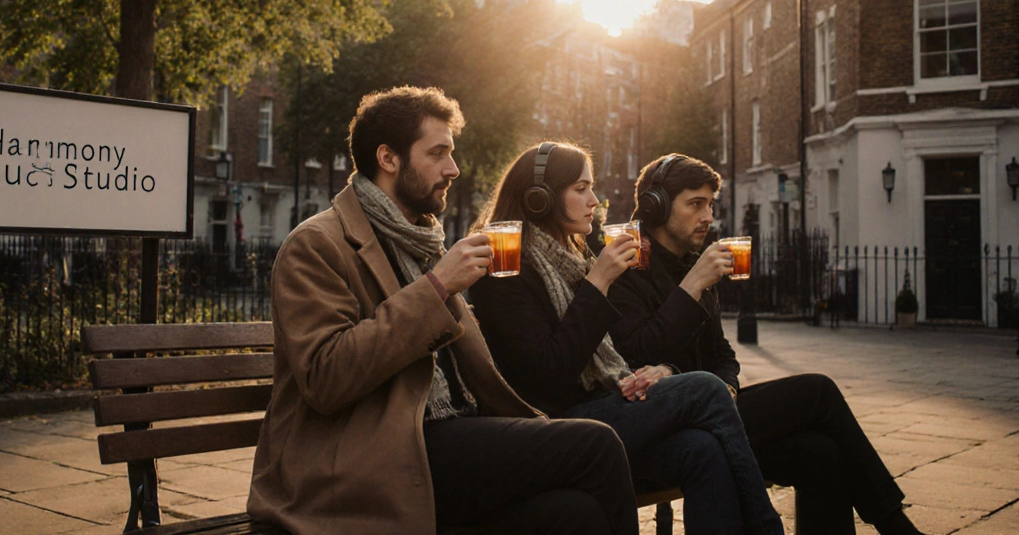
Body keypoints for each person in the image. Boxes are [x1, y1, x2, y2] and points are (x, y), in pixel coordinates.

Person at [247, 88, 638, 535]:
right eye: (438, 154)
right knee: (596, 444)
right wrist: (437, 288)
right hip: (379, 456)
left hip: (452, 438)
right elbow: (325, 377)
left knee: (576, 513)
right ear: (388, 158)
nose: (453, 169)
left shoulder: (422, 242)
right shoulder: (317, 244)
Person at [470, 142, 784, 535]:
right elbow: (546, 374)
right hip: (551, 425)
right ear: (540, 197)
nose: (595, 201)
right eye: (581, 189)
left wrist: (658, 371)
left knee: (701, 450)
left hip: (603, 404)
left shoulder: (573, 258)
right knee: (706, 388)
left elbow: (620, 351)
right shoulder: (507, 268)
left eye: (592, 188)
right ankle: (768, 528)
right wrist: (598, 281)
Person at [606, 153, 927, 535]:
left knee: (819, 452)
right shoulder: (626, 268)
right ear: (656, 207)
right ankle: (897, 526)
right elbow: (638, 354)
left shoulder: (691, 262)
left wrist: (726, 387)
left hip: (717, 412)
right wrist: (692, 286)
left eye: (711, 204)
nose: (708, 217)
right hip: (667, 424)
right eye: (696, 204)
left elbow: (723, 356)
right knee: (817, 392)